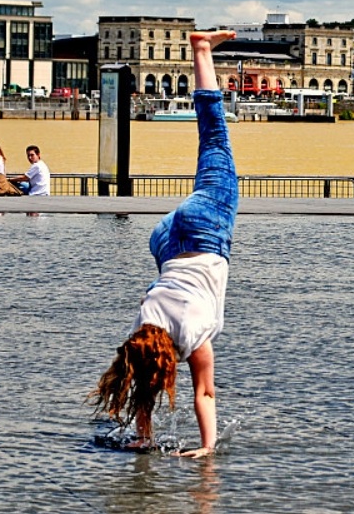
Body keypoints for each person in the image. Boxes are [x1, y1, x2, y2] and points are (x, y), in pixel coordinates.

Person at [91, 30, 239, 458]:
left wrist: (206, 449)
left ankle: (201, 48)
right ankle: (202, 50)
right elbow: (143, 375)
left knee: (214, 136)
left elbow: (205, 393)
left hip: (206, 231)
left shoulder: (191, 333)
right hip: (164, 242)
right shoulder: (141, 331)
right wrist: (144, 434)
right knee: (210, 141)